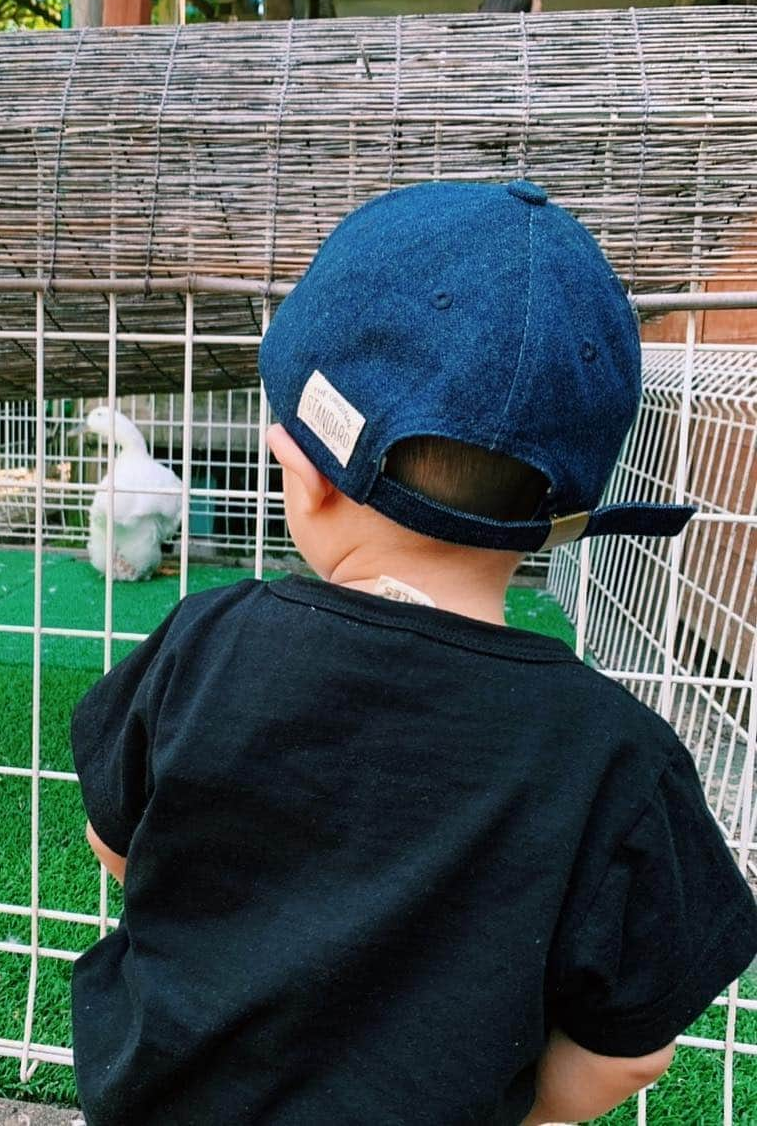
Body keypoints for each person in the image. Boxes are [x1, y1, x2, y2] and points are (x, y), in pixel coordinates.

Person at [70, 179, 757, 1125]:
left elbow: (118, 842)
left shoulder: (206, 644)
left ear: (300, 477)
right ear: (558, 524)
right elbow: (628, 1056)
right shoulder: (617, 758)